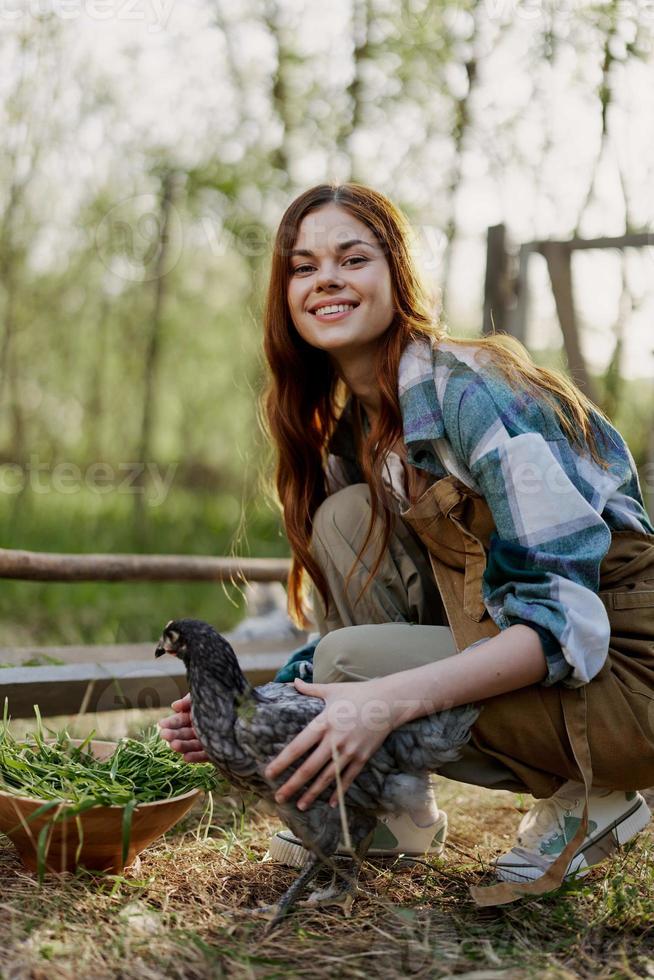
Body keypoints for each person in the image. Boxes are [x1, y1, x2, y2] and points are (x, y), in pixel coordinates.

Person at [159, 182, 654, 898]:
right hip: (540, 653)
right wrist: (241, 712)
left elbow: (565, 626)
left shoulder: (469, 392)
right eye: (303, 266)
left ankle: (593, 793)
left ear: (396, 273)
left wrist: (381, 700)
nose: (325, 277)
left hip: (628, 680)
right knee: (344, 524)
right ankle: (398, 805)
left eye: (351, 258)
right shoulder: (354, 430)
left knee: (349, 662)